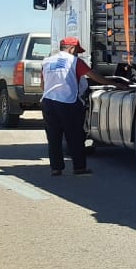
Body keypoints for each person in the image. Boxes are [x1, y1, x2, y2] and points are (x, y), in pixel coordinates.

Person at [40, 37, 128, 176]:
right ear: (72, 48)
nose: (77, 54)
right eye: (77, 51)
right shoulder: (75, 61)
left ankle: (56, 168)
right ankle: (79, 167)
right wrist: (115, 84)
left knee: (53, 137)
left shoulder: (47, 61)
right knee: (75, 136)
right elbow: (94, 77)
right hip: (68, 102)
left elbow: (42, 85)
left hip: (48, 102)